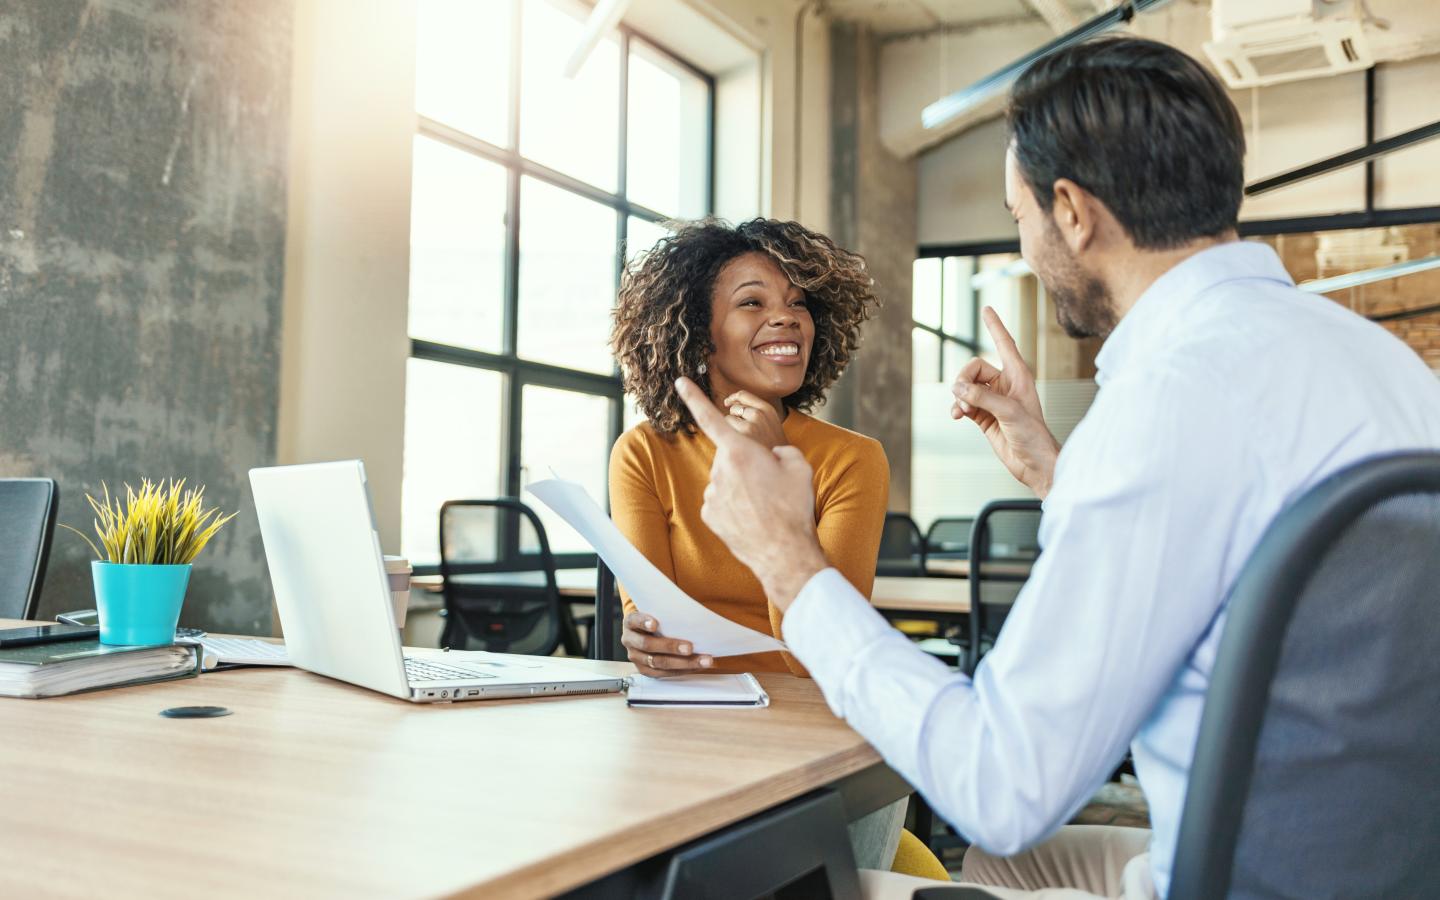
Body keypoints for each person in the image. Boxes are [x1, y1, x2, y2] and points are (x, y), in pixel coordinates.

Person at [671, 35, 1440, 900]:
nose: (1029, 249)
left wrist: (788, 559)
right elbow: (1229, 532)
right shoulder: (1387, 368)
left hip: (1235, 879)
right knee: (1014, 872)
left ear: (1071, 211)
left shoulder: (1169, 401)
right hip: (1383, 863)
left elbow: (1000, 785)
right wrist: (1056, 471)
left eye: (1019, 218)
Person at [607, 218, 887, 678]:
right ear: (701, 334)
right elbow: (655, 627)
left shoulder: (854, 460)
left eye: (798, 303)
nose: (786, 317)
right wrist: (646, 640)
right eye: (751, 302)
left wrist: (775, 466)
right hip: (685, 704)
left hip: (807, 708)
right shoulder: (643, 453)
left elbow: (822, 656)